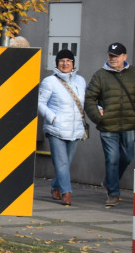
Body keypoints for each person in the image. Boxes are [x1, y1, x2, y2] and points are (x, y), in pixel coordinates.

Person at [84, 42, 135, 208]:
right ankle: (113, 192)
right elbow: (89, 98)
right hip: (108, 126)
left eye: (116, 56)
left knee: (127, 157)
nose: (113, 59)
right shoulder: (100, 75)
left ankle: (108, 181)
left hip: (130, 124)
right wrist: (98, 118)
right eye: (111, 56)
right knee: (112, 159)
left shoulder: (133, 73)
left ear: (124, 57)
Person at [37, 49, 86, 206]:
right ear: (57, 63)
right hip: (56, 129)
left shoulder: (81, 81)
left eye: (68, 61)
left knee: (66, 162)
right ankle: (67, 193)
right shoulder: (49, 81)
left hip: (75, 128)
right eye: (62, 61)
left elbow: (86, 101)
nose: (65, 63)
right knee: (62, 163)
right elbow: (40, 103)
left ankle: (55, 187)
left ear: (73, 63)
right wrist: (53, 118)